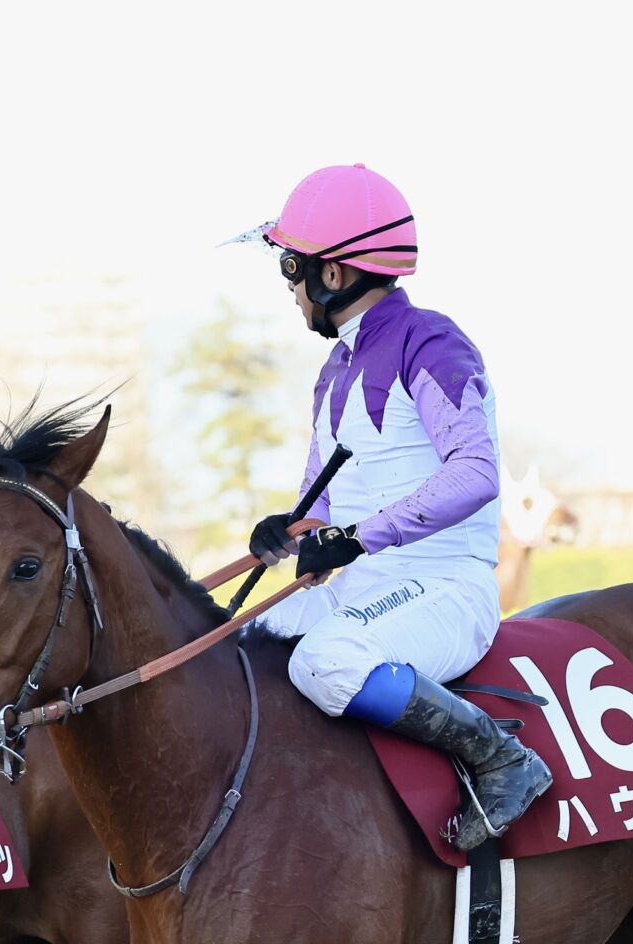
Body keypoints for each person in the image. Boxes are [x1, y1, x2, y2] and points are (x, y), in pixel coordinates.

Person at [246, 164, 552, 850]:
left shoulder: (433, 342)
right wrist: (292, 532)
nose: (290, 289)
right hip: (363, 591)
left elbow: (475, 472)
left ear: (331, 275)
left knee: (319, 662)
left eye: (291, 268)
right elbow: (324, 512)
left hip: (445, 590)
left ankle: (501, 757)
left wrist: (357, 538)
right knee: (243, 639)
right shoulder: (333, 372)